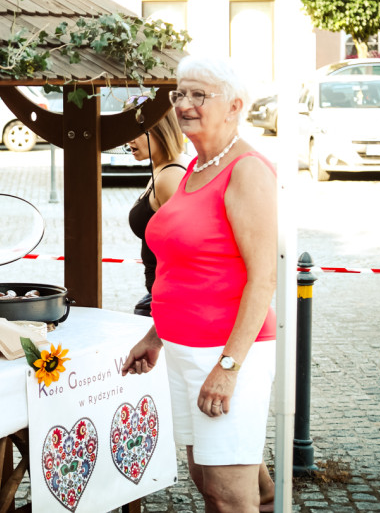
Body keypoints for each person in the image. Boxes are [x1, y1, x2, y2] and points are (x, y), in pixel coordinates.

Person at [121, 56, 277, 513]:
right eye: (179, 95)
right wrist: (155, 335)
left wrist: (228, 368)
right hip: (184, 352)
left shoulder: (246, 170)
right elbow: (179, 267)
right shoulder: (195, 167)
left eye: (198, 95)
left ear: (234, 106)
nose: (185, 105)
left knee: (231, 496)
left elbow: (263, 277)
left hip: (225, 352)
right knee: (207, 483)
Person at [125, 108, 186, 317]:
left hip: (172, 301)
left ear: (159, 130)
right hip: (161, 296)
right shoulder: (160, 170)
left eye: (137, 131)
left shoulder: (170, 177)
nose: (128, 140)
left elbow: (186, 249)